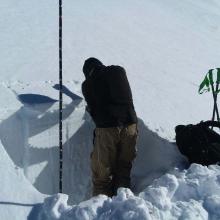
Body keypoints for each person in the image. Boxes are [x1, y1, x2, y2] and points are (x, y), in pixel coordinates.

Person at [81, 57, 138, 197]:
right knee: (124, 168)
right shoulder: (118, 71)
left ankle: (101, 209)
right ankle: (123, 202)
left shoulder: (87, 85)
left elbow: (94, 109)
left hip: (108, 129)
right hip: (131, 125)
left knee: (102, 175)